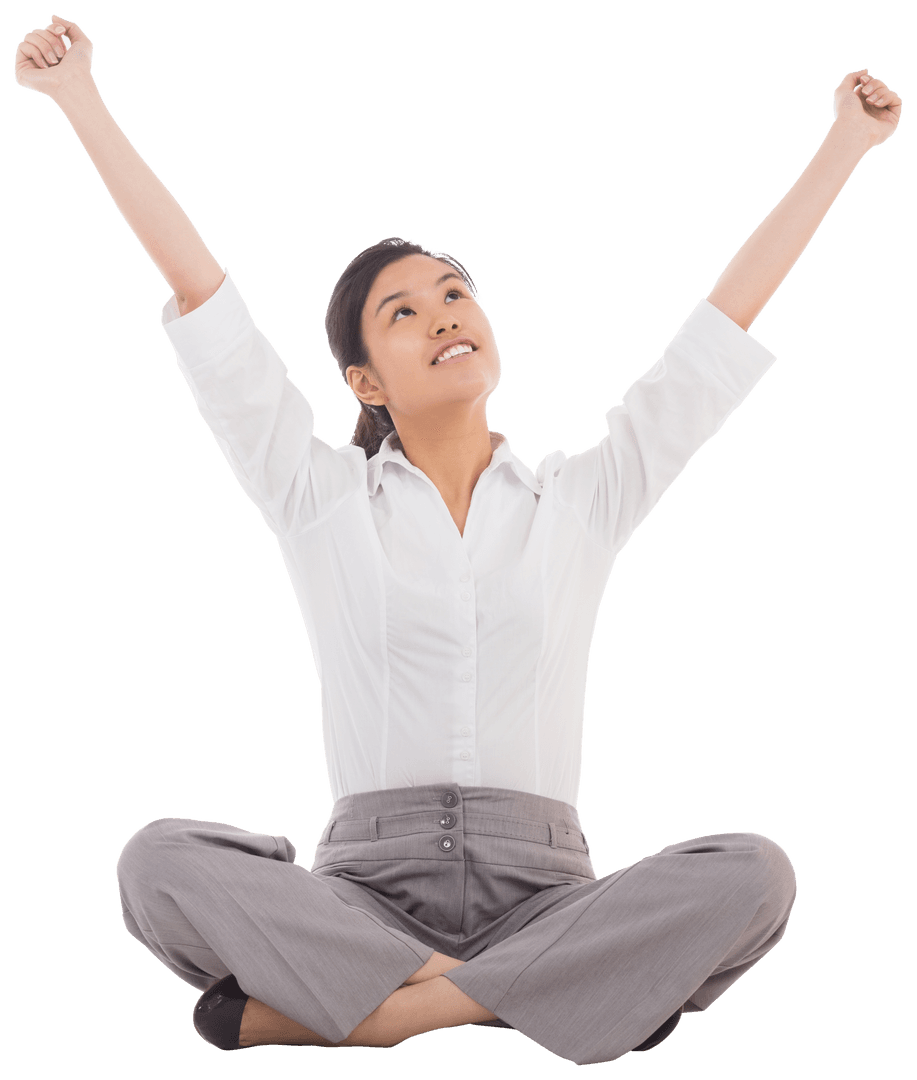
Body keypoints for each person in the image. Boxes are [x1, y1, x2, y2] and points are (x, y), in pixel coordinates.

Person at [14, 15, 902, 1067]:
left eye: (455, 293)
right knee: (154, 863)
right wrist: (80, 101)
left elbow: (716, 333)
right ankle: (562, 1004)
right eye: (402, 312)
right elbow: (205, 298)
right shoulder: (318, 496)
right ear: (364, 381)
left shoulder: (579, 500)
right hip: (362, 896)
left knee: (756, 875)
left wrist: (843, 142)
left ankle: (380, 1010)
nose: (444, 314)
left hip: (548, 899)